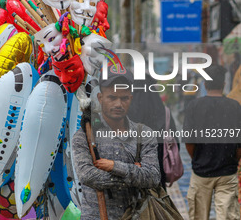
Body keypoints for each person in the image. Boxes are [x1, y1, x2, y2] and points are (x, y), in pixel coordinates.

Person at [72, 65, 160, 220]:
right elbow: (87, 176)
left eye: (124, 98)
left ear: (130, 98)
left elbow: (152, 177)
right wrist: (134, 173)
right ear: (100, 98)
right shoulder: (85, 136)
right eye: (112, 98)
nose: (119, 104)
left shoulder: (144, 134)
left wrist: (114, 166)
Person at [183, 65, 241, 220]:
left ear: (205, 84)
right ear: (223, 84)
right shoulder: (235, 107)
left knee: (198, 216)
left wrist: (197, 158)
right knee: (228, 215)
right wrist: (233, 159)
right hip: (227, 172)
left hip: (201, 171)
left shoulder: (194, 106)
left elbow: (189, 141)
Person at [128, 73, 178, 189]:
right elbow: (176, 145)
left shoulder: (126, 114)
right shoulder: (164, 113)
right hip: (158, 177)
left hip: (132, 177)